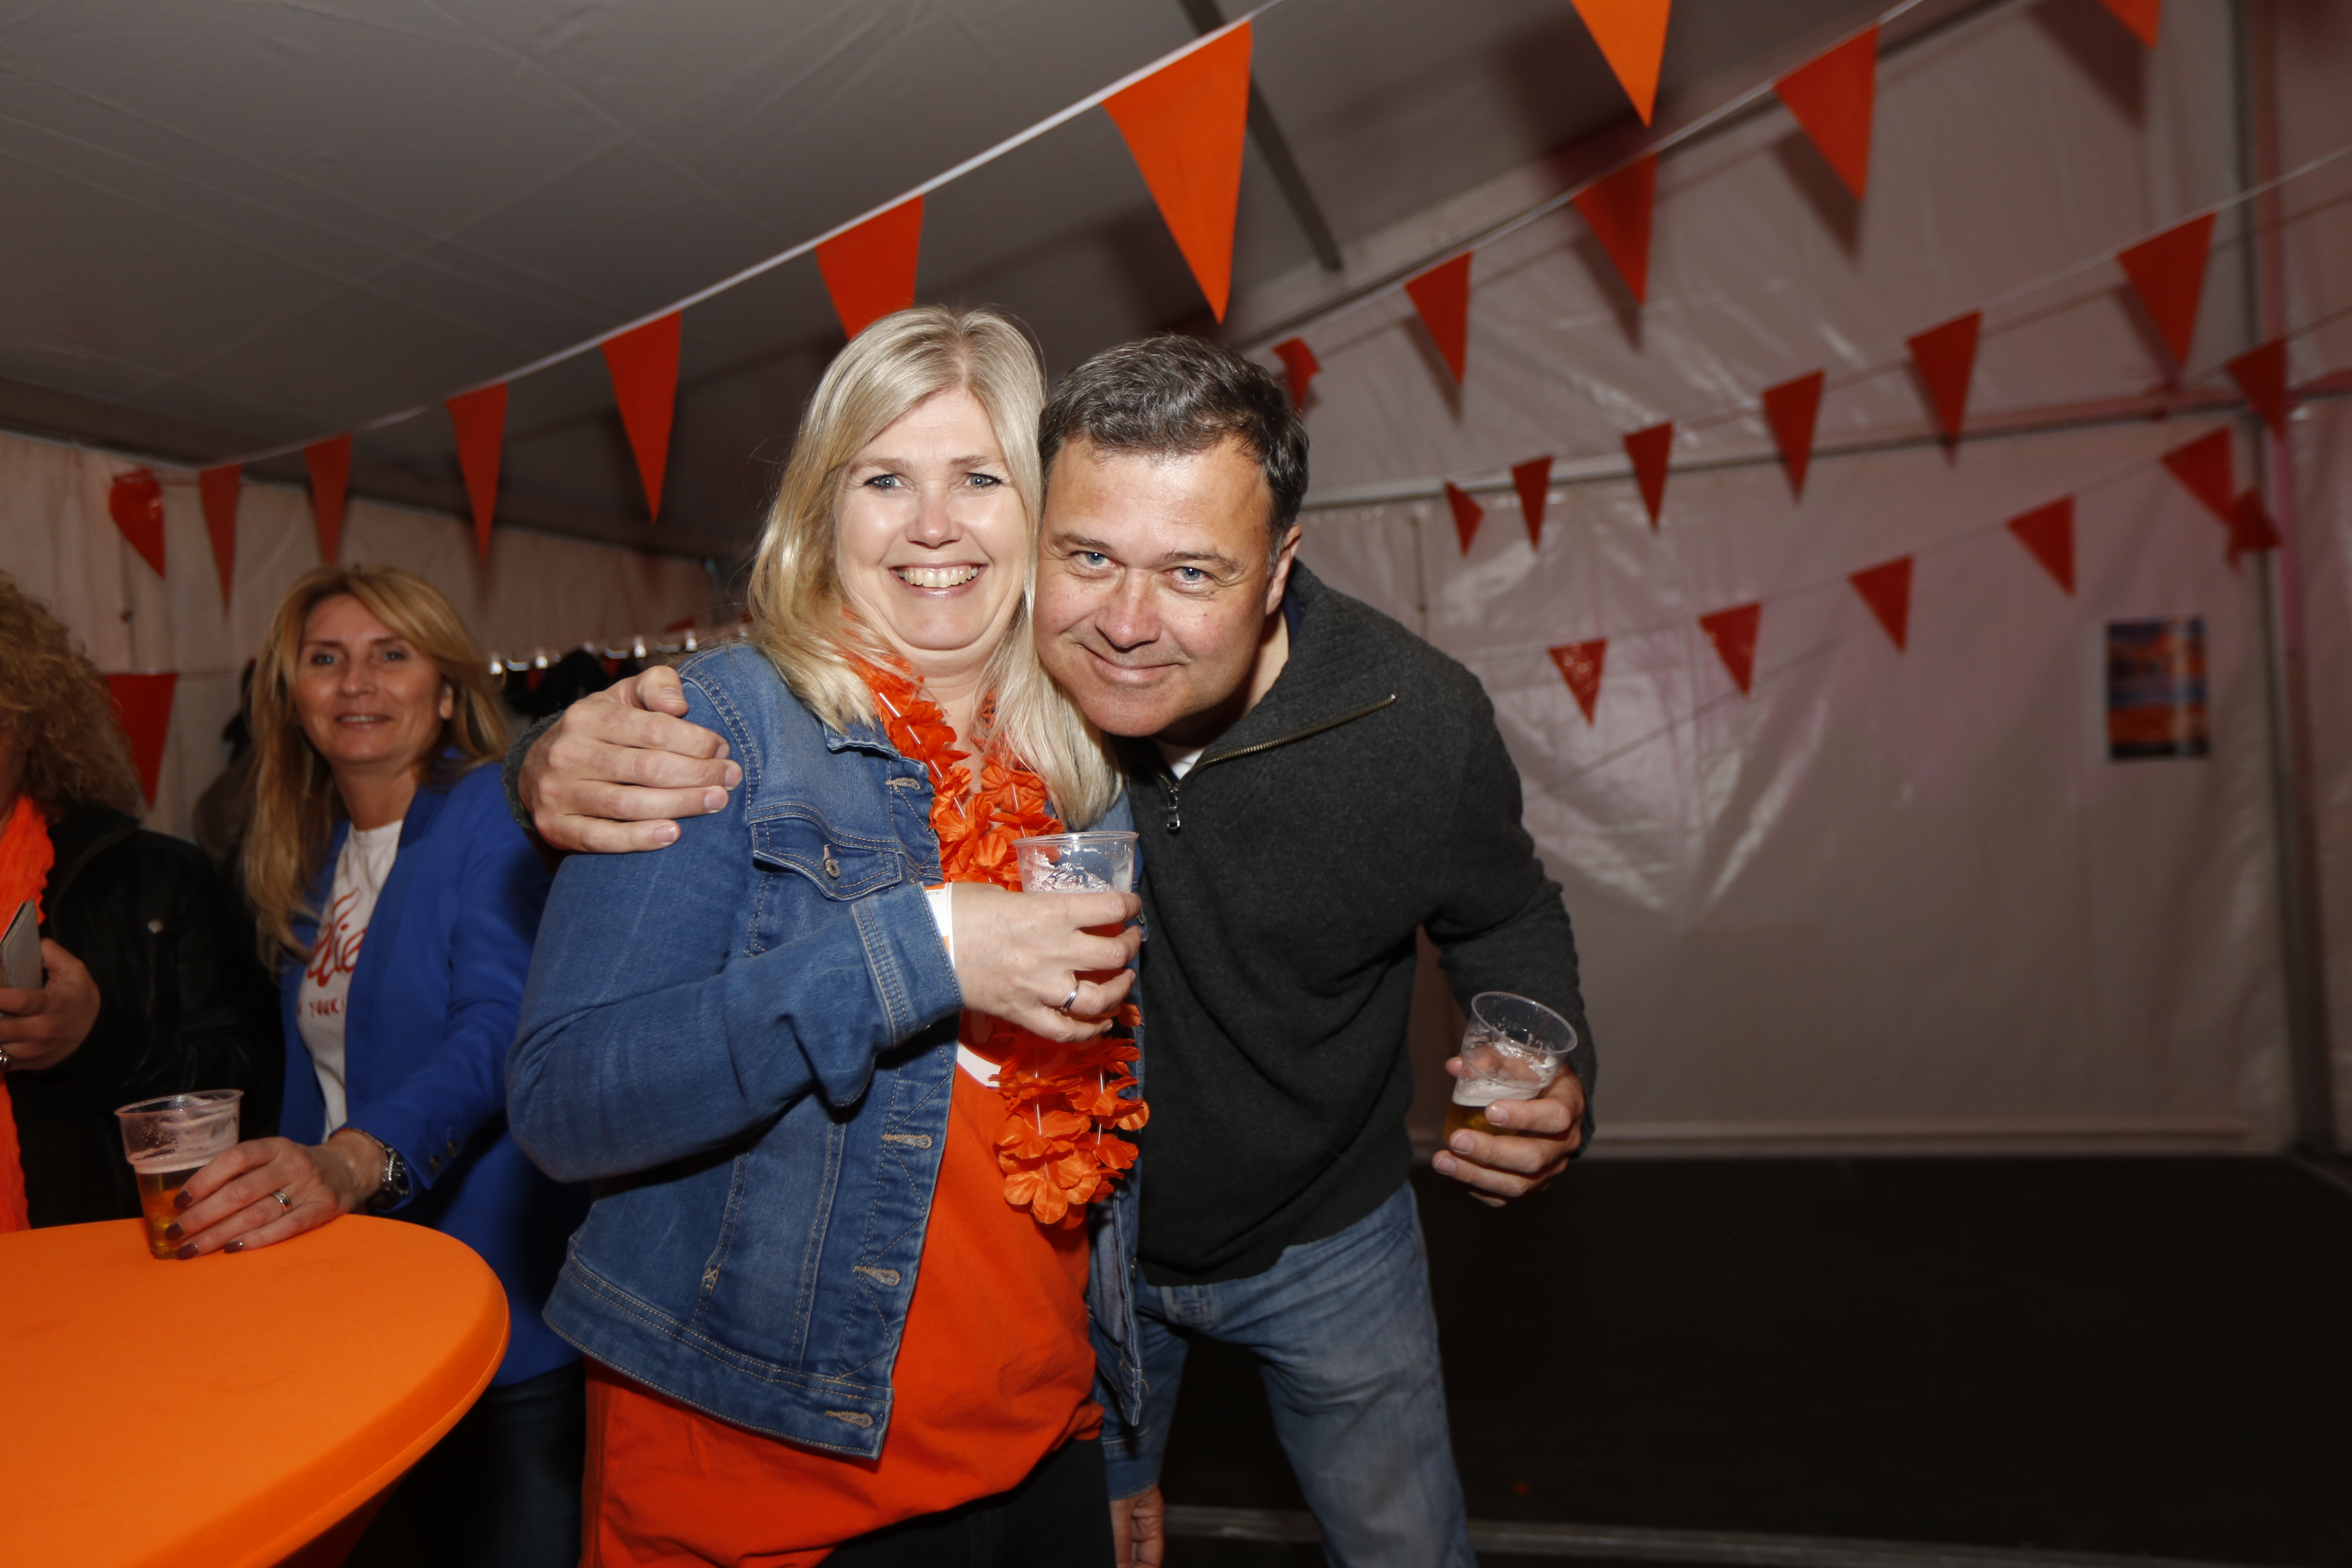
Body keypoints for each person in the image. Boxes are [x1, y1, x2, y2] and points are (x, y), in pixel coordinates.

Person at [510, 335, 1598, 1567]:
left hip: (1274, 1266)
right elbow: (576, 1082)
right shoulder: (843, 722)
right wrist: (538, 762)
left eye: (1192, 572)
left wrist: (1545, 1071)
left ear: (1276, 570)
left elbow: (1506, 908)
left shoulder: (1312, 729)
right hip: (915, 1379)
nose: (1129, 624)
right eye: (1090, 557)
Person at [505, 305, 1151, 1568]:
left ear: (1043, 515)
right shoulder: (716, 729)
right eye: (884, 480)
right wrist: (919, 948)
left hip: (1042, 1449)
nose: (933, 525)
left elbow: (1109, 1147)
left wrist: (1124, 1441)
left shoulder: (1084, 766)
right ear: (822, 513)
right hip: (770, 1478)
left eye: (981, 479)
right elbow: (567, 1103)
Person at [169, 564, 590, 1568]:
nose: (355, 682)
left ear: (445, 691)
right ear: (293, 697)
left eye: (390, 655)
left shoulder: (492, 812)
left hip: (496, 1309)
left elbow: (498, 1029)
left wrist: (356, 1161)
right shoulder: (312, 852)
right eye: (326, 659)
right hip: (365, 1307)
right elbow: (316, 1081)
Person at [0, 575, 279, 1231]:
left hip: (102, 1259)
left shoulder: (155, 879)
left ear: (30, 722)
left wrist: (96, 1040)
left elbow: (252, 1091)